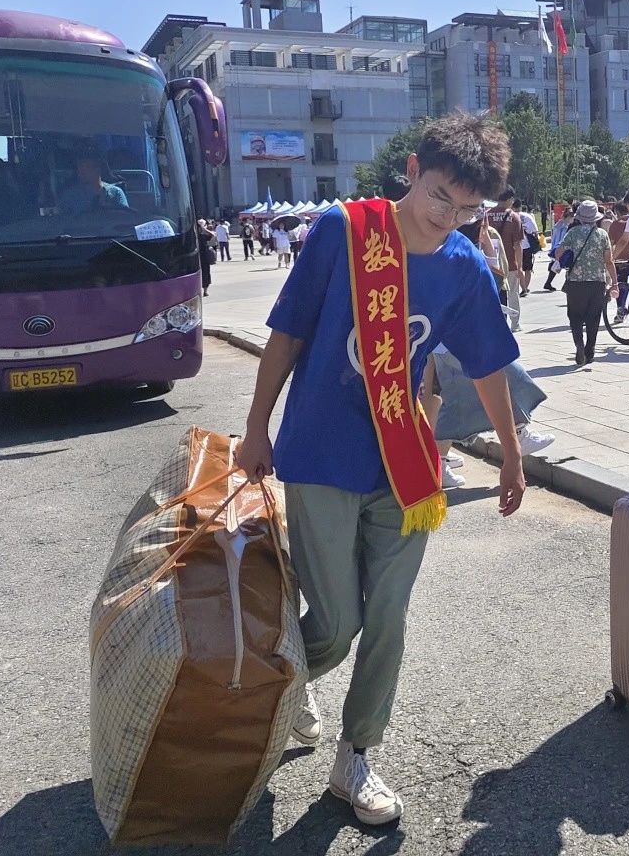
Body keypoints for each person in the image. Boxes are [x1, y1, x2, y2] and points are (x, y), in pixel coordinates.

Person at [234, 113, 526, 826]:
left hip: (404, 465)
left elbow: (488, 364)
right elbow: (288, 333)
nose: (447, 218)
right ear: (412, 170)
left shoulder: (462, 264)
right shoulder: (343, 231)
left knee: (387, 619)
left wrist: (512, 454)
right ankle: (269, 690)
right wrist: (257, 426)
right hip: (321, 454)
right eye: (439, 196)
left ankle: (356, 755)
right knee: (337, 623)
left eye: (467, 209)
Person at [555, 199, 617, 366]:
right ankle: (590, 351)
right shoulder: (602, 234)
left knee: (575, 316)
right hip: (597, 282)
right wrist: (615, 283)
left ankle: (579, 345)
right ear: (596, 217)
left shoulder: (573, 232)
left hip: (575, 282)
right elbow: (609, 261)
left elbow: (558, 252)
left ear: (580, 217)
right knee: (593, 318)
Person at [488, 187, 525, 332]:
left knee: (494, 295)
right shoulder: (514, 218)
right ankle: (515, 324)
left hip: (491, 265)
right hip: (510, 264)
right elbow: (518, 245)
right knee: (513, 293)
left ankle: (497, 323)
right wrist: (520, 266)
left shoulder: (487, 215)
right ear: (510, 199)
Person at [56, 148, 129, 217]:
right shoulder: (69, 196)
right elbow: (61, 220)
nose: (82, 172)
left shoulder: (116, 193)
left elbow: (126, 218)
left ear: (98, 169)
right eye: (80, 167)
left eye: (87, 168)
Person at [542, 206, 574, 291]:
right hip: (562, 247)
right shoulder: (565, 226)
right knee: (568, 265)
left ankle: (548, 283)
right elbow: (562, 237)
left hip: (557, 247)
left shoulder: (559, 224)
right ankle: (565, 285)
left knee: (557, 265)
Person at [518, 203, 540, 296]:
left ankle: (522, 288)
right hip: (527, 246)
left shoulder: (510, 215)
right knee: (527, 269)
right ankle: (525, 288)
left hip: (515, 246)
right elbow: (535, 231)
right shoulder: (527, 216)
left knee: (517, 268)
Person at [197, 218, 216, 297]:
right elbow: (212, 235)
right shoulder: (196, 235)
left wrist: (204, 229)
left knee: (205, 273)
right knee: (203, 273)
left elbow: (212, 235)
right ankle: (202, 291)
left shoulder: (203, 235)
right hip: (199, 257)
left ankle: (205, 291)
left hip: (204, 257)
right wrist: (203, 228)